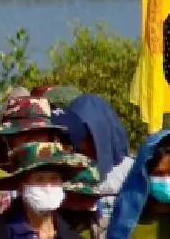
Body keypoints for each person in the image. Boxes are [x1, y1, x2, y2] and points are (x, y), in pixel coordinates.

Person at [55, 93, 133, 231]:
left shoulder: (129, 171)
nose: (83, 144)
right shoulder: (63, 168)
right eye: (80, 137)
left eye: (89, 137)